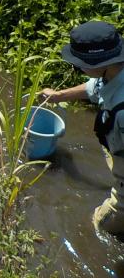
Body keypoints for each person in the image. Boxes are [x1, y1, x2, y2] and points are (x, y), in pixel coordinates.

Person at [40, 20, 124, 239]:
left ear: (101, 63)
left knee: (98, 226)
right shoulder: (113, 72)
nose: (77, 67)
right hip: (118, 149)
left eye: (79, 63)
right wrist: (58, 96)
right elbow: (93, 88)